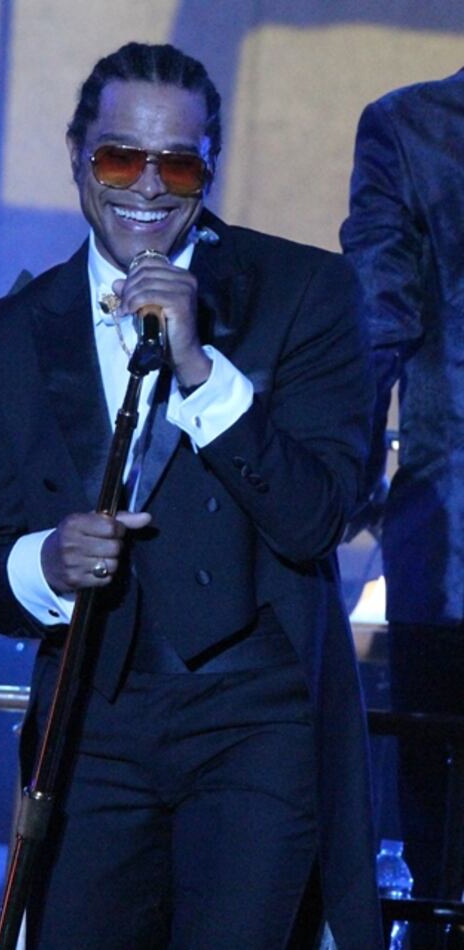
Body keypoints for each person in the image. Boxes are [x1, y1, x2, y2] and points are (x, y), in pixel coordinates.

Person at [0, 42, 381, 949]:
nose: (147, 187)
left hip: (253, 718)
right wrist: (46, 562)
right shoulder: (7, 337)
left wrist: (201, 371)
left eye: (177, 164)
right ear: (78, 155)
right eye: (120, 158)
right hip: (91, 723)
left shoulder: (301, 292)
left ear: (208, 169)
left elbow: (318, 517)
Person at [341, 70, 464, 915]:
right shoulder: (411, 128)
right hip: (447, 555)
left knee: (445, 863)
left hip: (449, 551)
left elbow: (376, 327)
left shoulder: (413, 127)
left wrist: (347, 481)